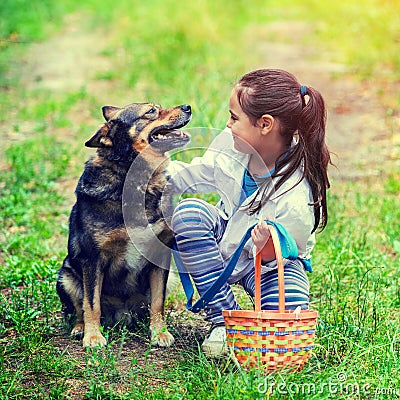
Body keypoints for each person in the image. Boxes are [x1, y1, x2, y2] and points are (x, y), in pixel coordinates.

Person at [167, 69, 331, 357]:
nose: (227, 125)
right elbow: (193, 174)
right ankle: (222, 319)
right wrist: (149, 170)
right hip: (226, 239)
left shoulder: (295, 193)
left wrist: (268, 247)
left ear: (265, 125)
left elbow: (287, 250)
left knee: (285, 322)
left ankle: (263, 318)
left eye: (234, 118)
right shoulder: (231, 146)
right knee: (189, 213)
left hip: (271, 264)